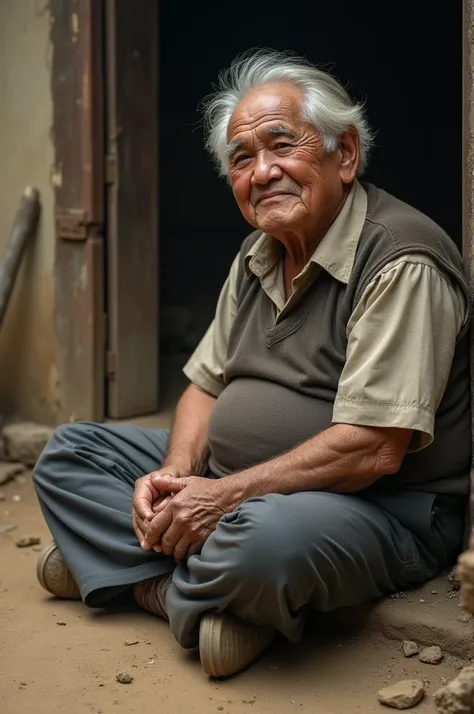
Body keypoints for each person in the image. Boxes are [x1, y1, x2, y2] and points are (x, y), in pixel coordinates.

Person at [33, 49, 470, 678]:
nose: (263, 172)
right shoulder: (257, 253)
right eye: (242, 159)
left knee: (264, 546)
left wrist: (224, 498)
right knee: (69, 453)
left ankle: (126, 579)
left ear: (343, 154)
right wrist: (179, 476)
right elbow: (203, 386)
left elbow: (372, 450)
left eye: (281, 145)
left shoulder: (401, 260)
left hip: (375, 506)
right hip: (232, 485)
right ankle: (217, 602)